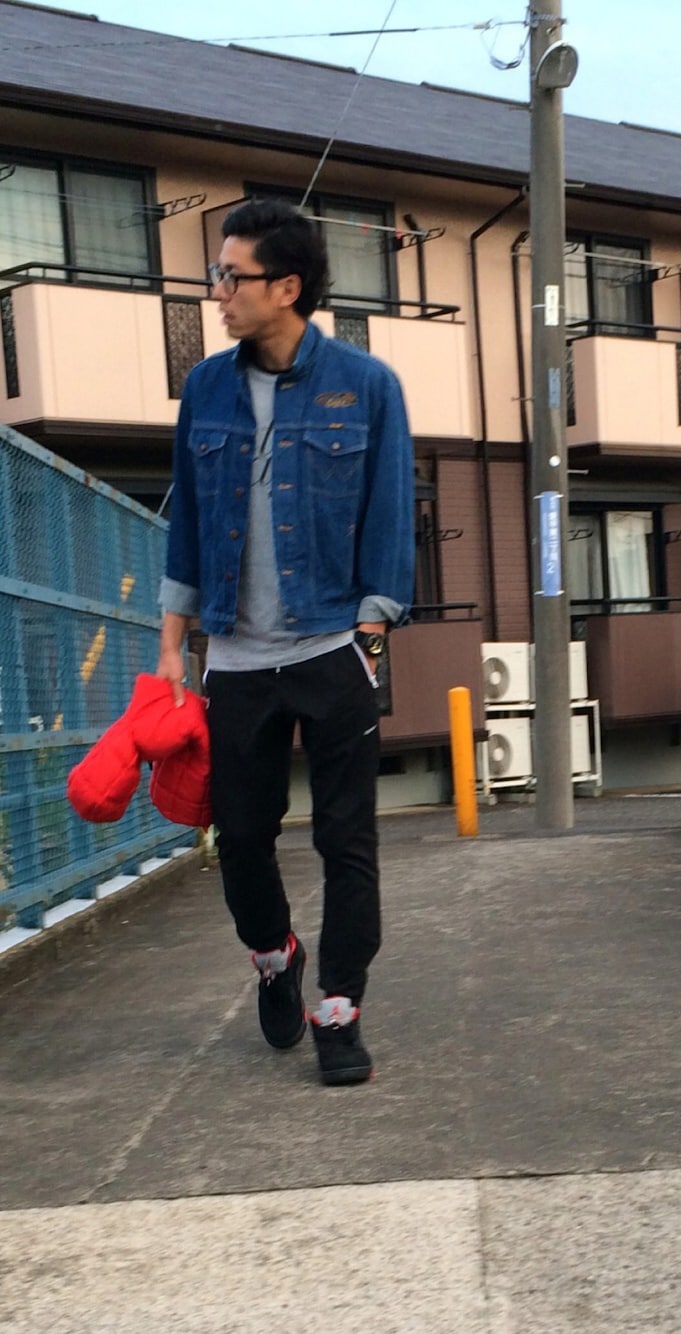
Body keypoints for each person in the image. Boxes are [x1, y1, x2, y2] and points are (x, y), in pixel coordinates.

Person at [157, 198, 414, 1086]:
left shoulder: (366, 385)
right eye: (217, 275)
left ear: (287, 287)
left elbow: (389, 514)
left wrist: (369, 637)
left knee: (347, 841)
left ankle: (339, 1010)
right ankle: (275, 956)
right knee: (240, 837)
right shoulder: (206, 388)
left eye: (232, 277)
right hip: (234, 655)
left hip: (331, 644)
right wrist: (171, 646)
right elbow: (188, 522)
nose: (218, 292)